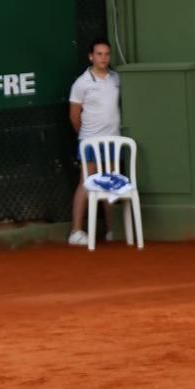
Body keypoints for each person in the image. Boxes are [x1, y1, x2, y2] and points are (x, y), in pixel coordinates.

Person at [68, 39, 121, 248]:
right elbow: (74, 116)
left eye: (106, 54)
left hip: (113, 140)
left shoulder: (117, 78)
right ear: (91, 56)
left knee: (110, 182)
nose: (103, 58)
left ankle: (111, 230)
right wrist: (85, 137)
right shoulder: (82, 83)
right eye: (99, 54)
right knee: (87, 182)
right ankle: (76, 231)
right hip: (89, 141)